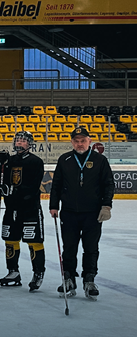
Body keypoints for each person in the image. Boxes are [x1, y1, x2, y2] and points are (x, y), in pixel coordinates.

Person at [49, 126, 115, 299]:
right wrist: (54, 206)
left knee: (91, 248)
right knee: (69, 248)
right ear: (72, 142)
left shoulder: (100, 160)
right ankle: (69, 278)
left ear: (89, 141)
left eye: (83, 140)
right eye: (76, 141)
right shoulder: (64, 159)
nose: (80, 144)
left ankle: (89, 279)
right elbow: (56, 185)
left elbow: (108, 184)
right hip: (69, 212)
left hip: (92, 213)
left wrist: (106, 206)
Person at [0, 131, 46, 290]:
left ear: (29, 144)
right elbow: (0, 183)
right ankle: (13, 271)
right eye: (17, 140)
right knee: (10, 240)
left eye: (23, 140)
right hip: (11, 208)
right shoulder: (10, 161)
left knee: (34, 241)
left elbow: (33, 186)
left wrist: (14, 191)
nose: (19, 142)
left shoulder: (36, 161)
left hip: (30, 209)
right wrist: (0, 165)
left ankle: (38, 272)